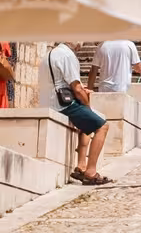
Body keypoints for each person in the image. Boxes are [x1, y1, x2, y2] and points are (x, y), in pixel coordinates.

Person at [40, 43, 111, 186]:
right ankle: (91, 172)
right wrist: (87, 105)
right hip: (63, 104)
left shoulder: (50, 53)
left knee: (88, 123)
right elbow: (77, 89)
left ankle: (81, 166)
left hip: (49, 100)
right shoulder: (67, 55)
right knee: (102, 126)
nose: (82, 44)